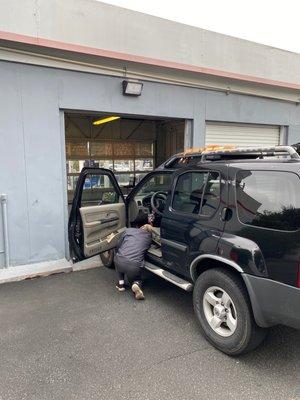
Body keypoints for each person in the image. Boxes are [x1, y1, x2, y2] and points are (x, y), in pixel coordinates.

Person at [114, 224, 153, 300]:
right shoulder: (148, 238)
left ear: (141, 227)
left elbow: (118, 244)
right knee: (136, 278)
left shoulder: (129, 230)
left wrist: (118, 252)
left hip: (119, 260)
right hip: (133, 266)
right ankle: (136, 283)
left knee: (120, 261)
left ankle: (120, 284)